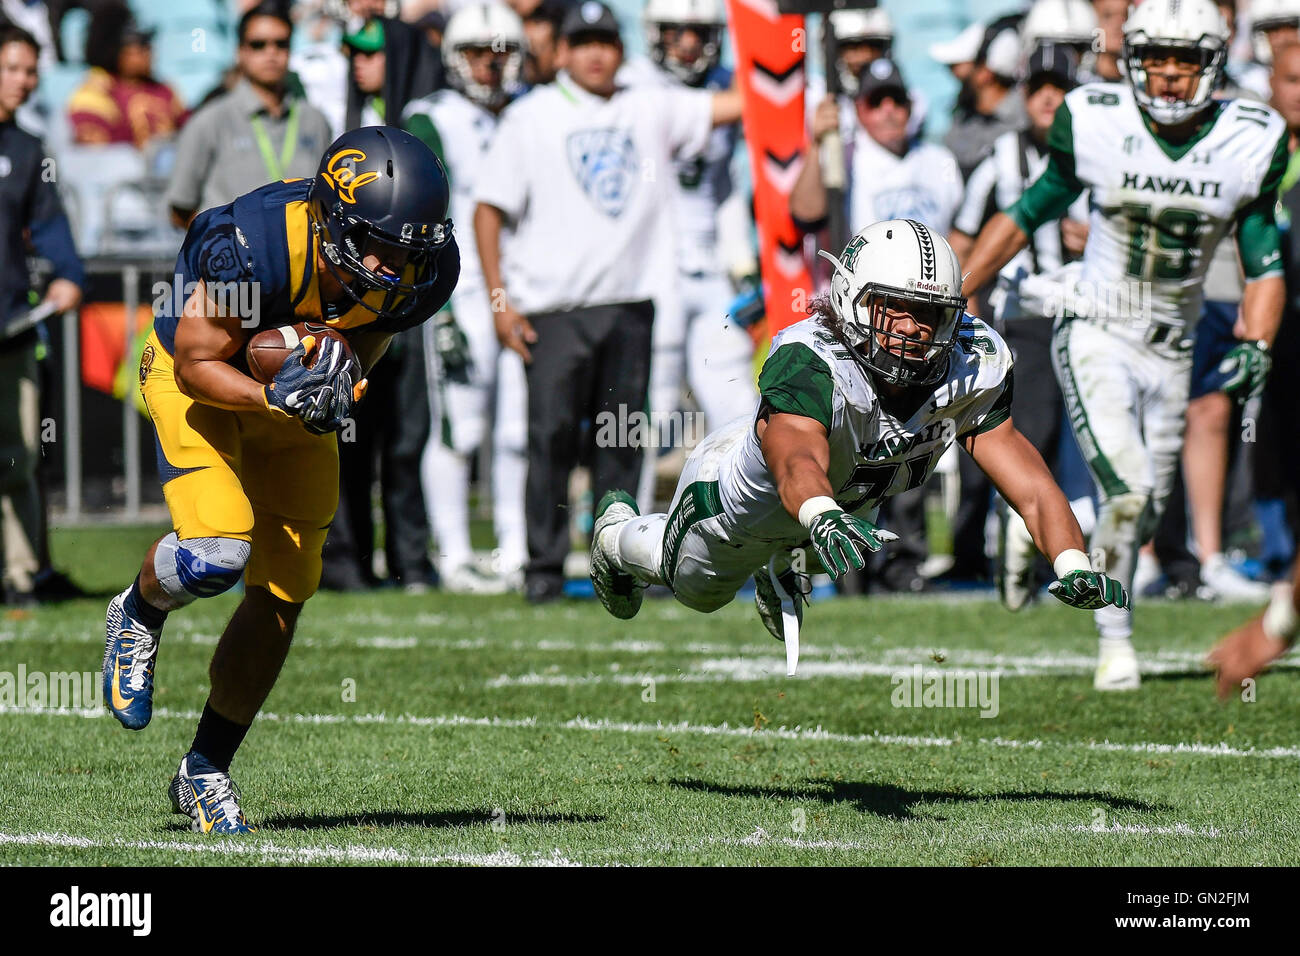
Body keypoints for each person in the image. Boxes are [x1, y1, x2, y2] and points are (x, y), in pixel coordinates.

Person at [101, 127, 460, 832]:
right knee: (217, 550)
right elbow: (200, 361)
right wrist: (274, 394)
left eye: (410, 252)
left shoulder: (420, 270)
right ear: (331, 223)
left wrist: (341, 372)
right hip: (194, 378)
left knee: (286, 589)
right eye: (381, 247)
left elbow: (374, 330)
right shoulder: (253, 246)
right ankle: (138, 611)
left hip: (287, 397)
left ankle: (204, 768)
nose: (397, 266)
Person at [587, 220, 1129, 640]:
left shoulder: (971, 362)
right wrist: (820, 514)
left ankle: (787, 560)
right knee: (697, 590)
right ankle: (616, 536)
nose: (913, 330)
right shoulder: (812, 357)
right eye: (896, 310)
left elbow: (1030, 484)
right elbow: (796, 458)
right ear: (853, 298)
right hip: (747, 499)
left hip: (845, 505)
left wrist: (1072, 562)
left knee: (840, 544)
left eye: (929, 314)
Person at [960, 0, 1286, 691]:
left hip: (1173, 342)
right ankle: (1116, 643)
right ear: (1132, 61)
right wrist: (960, 290)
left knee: (1139, 506)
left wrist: (1257, 339)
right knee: (1131, 487)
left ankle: (1044, 523)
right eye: (1156, 60)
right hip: (1097, 323)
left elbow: (1263, 262)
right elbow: (1027, 212)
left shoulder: (1251, 136)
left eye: (1185, 60)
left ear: (1214, 62)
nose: (1169, 77)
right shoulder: (1098, 120)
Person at [472, 0, 742, 604]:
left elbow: (736, 104)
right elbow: (488, 210)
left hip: (629, 307)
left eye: (607, 41)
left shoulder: (648, 104)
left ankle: (619, 565)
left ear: (623, 51)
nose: (596, 53)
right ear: (560, 52)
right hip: (553, 310)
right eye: (583, 42)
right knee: (550, 443)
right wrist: (498, 302)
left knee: (620, 446)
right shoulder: (530, 116)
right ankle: (542, 570)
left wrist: (791, 74)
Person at [791, 56, 962, 593]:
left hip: (924, 319)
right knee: (852, 435)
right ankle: (843, 559)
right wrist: (820, 146)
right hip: (862, 319)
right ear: (858, 110)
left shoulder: (937, 162)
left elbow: (959, 234)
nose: (888, 112)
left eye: (897, 101)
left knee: (914, 434)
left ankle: (905, 558)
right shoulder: (846, 155)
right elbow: (803, 210)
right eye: (875, 101)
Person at [949, 43, 1091, 608]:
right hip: (1026, 314)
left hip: (1092, 315)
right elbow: (962, 236)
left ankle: (1061, 554)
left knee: (1078, 448)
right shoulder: (1000, 157)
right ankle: (1019, 549)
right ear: (1023, 96)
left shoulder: (1097, 155)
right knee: (1028, 437)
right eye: (1037, 88)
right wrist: (963, 300)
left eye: (1059, 87)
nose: (1048, 98)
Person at [404, 1, 531, 592]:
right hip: (463, 287)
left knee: (516, 428)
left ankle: (515, 548)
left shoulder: (534, 111)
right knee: (461, 426)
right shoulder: (432, 117)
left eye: (499, 53)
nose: (489, 65)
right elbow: (424, 211)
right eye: (477, 54)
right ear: (455, 59)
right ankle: (453, 551)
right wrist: (441, 300)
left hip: (527, 285)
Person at [632, 0, 755, 454]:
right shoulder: (636, 84)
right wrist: (763, 92)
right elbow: (697, 108)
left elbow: (728, 184)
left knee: (736, 398)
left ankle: (745, 520)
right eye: (676, 32)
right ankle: (621, 514)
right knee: (653, 409)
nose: (688, 44)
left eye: (699, 33)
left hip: (710, 265)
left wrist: (741, 262)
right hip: (654, 262)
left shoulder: (725, 85)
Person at [0, 25, 83, 605]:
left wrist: (67, 276)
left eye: (31, 70)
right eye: (12, 67)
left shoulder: (28, 153)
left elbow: (53, 232)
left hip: (10, 332)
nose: (24, 81)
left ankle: (21, 576)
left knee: (18, 455)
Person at [165, 2, 333, 227]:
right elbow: (180, 207)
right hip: (236, 260)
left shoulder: (315, 121)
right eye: (258, 45)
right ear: (240, 52)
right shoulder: (210, 121)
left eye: (280, 44)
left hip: (302, 258)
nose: (271, 52)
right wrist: (221, 245)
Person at [66, 5, 185, 148]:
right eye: (140, 45)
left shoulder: (164, 90)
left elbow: (191, 127)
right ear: (115, 49)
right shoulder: (96, 89)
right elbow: (95, 144)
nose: (149, 51)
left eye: (148, 44)